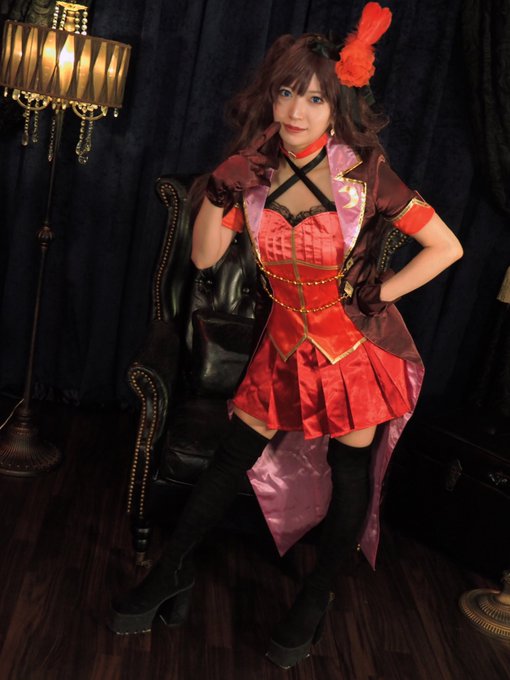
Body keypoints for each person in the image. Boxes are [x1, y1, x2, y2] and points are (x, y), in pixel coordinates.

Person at [109, 2, 463, 669]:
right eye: (286, 92)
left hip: (356, 350)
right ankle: (171, 572)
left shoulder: (364, 174)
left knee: (349, 471)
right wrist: (217, 192)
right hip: (283, 343)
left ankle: (317, 596)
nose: (296, 110)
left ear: (338, 106)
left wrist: (381, 294)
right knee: (230, 459)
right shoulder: (252, 168)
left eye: (315, 98)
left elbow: (447, 246)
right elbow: (206, 258)